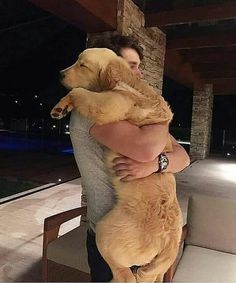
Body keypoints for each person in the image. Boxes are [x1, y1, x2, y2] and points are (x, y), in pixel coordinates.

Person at [69, 35, 190, 282]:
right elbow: (146, 148)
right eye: (131, 66)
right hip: (117, 235)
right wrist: (160, 114)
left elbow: (183, 157)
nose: (140, 74)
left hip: (152, 232)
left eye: (139, 66)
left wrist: (156, 164)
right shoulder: (92, 110)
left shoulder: (132, 110)